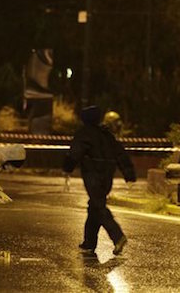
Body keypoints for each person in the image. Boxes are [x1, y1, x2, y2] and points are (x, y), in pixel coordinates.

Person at [63, 105, 136, 255]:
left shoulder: (84, 134)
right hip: (107, 175)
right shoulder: (106, 135)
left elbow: (75, 152)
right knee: (94, 206)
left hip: (92, 174)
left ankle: (117, 236)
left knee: (99, 206)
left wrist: (67, 167)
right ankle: (89, 243)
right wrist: (128, 174)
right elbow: (120, 154)